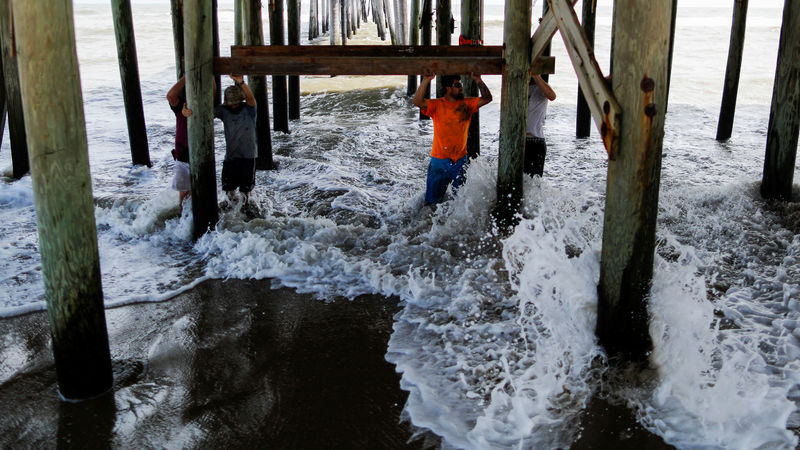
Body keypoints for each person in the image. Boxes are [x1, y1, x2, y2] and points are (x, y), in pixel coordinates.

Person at [413, 72, 493, 205]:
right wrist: (426, 80)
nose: (461, 87)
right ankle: (430, 224)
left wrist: (478, 80)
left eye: (460, 84)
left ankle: (454, 225)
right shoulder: (437, 105)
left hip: (460, 161)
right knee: (432, 203)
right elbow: (417, 101)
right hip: (439, 161)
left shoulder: (466, 104)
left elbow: (487, 98)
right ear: (448, 88)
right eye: (457, 85)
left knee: (460, 202)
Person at [213, 74, 257, 210]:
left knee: (246, 191)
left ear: (241, 101)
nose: (234, 106)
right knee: (228, 190)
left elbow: (251, 98)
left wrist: (241, 82)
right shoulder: (224, 111)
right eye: (231, 104)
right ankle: (230, 210)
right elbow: (208, 110)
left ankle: (246, 209)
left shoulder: (249, 110)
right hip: (231, 157)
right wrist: (212, 82)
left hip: (248, 156)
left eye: (236, 103)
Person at [166, 75, 192, 212]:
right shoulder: (180, 107)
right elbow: (170, 96)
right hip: (182, 155)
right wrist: (187, 76)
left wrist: (208, 73)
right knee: (184, 193)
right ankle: (183, 220)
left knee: (200, 193)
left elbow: (212, 94)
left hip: (201, 156)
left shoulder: (203, 105)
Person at [525, 73, 556, 177]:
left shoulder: (540, 88)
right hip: (518, 140)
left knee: (534, 182)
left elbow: (552, 96)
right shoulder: (516, 88)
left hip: (535, 141)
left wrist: (536, 76)